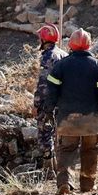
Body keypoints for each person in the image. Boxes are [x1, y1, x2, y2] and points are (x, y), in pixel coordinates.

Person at [43, 29, 98, 195]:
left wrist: (48, 110)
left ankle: (65, 183)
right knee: (91, 150)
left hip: (67, 118)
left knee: (67, 150)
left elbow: (51, 91)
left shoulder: (61, 66)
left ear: (70, 45)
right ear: (89, 45)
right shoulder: (97, 66)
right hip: (91, 118)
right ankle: (88, 184)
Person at [32, 24, 65, 176]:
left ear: (44, 39)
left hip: (48, 102)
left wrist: (36, 104)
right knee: (58, 136)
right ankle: (60, 169)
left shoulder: (47, 56)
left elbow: (43, 84)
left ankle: (49, 170)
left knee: (45, 135)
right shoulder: (64, 55)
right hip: (63, 102)